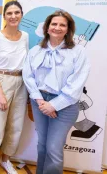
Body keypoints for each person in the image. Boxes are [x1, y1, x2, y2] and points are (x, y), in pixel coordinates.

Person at [23, 10, 90, 174]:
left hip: (66, 104)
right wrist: (41, 102)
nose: (57, 28)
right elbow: (28, 76)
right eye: (54, 24)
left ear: (68, 29)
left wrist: (54, 105)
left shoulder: (78, 52)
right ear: (47, 28)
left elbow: (77, 83)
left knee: (54, 148)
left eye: (62, 25)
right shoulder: (36, 50)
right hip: (39, 101)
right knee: (42, 144)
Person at [0, 0, 29, 174]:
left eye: (16, 12)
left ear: (21, 15)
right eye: (9, 13)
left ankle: (5, 159)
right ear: (4, 16)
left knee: (16, 125)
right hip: (1, 81)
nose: (13, 16)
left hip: (21, 82)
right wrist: (0, 93)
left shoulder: (25, 36)